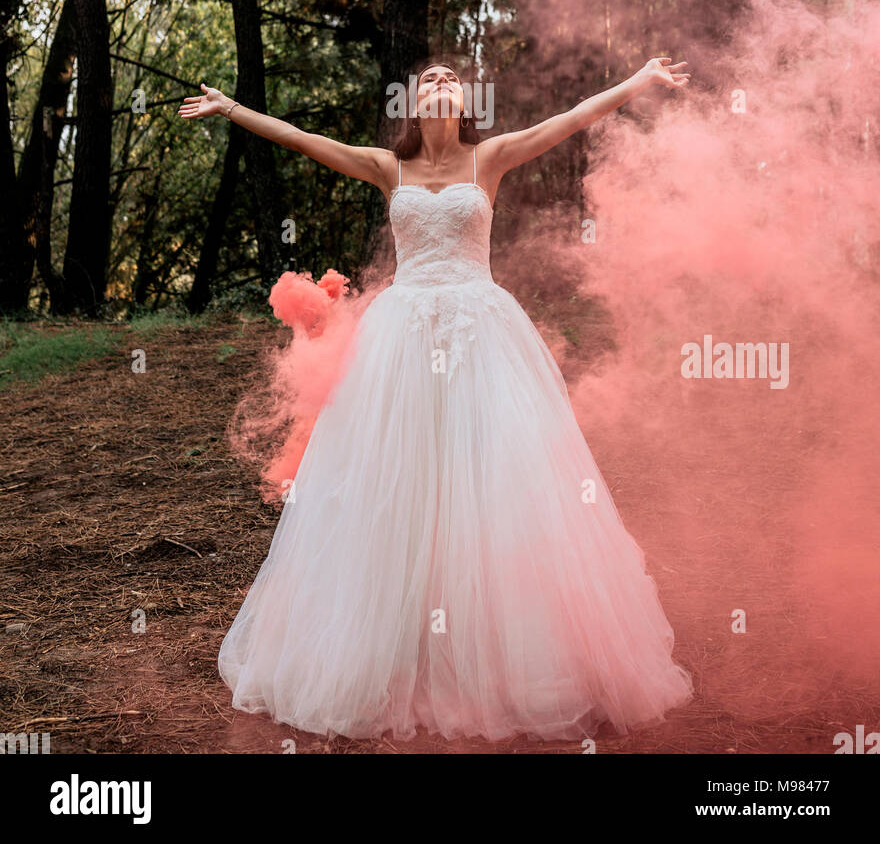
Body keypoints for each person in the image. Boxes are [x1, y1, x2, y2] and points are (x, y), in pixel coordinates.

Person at [178, 55, 693, 742]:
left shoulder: (494, 157)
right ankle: (390, 647)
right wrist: (234, 109)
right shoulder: (390, 169)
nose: (443, 85)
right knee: (397, 481)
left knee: (497, 478)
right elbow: (305, 139)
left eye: (454, 80)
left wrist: (638, 80)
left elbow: (571, 120)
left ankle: (509, 654)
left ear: (466, 100)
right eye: (431, 82)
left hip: (483, 331)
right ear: (414, 105)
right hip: (403, 337)